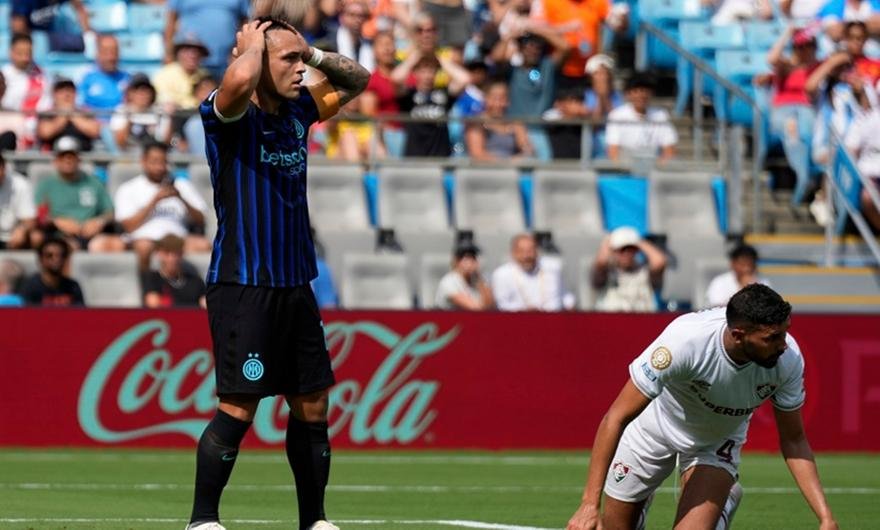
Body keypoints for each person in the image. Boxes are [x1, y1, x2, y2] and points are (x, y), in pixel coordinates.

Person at [186, 16, 369, 530]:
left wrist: (309, 53)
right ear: (256, 61)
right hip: (244, 284)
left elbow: (358, 79)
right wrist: (249, 49)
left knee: (313, 404)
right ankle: (202, 521)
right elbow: (239, 82)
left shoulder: (299, 111)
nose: (300, 69)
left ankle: (314, 521)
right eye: (288, 60)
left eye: (300, 59)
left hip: (295, 284)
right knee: (239, 406)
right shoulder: (228, 116)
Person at [566, 284, 839, 530]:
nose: (783, 346)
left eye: (785, 333)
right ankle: (641, 499)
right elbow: (615, 417)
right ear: (738, 335)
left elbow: (794, 440)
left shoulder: (788, 360)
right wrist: (589, 503)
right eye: (772, 338)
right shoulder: (684, 342)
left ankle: (724, 502)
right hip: (654, 429)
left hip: (715, 443)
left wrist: (825, 517)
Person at [114, 141, 211, 271]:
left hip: (178, 239)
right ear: (143, 161)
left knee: (204, 245)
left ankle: (190, 283)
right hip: (145, 239)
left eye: (164, 162)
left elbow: (201, 220)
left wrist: (181, 198)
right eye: (155, 162)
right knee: (144, 247)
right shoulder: (129, 188)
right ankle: (148, 283)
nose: (160, 167)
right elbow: (128, 226)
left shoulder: (182, 185)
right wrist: (155, 201)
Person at [758, 26, 821, 206]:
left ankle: (807, 175)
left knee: (806, 132)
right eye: (799, 46)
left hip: (807, 109)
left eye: (808, 45)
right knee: (792, 128)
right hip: (784, 109)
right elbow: (772, 59)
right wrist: (787, 33)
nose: (803, 50)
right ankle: (803, 177)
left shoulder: (817, 67)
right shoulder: (786, 66)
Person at [33, 136, 124, 252]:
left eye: (71, 156)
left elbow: (109, 212)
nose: (67, 160)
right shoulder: (46, 185)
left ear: (78, 159)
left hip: (92, 235)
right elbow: (40, 216)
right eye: (62, 156)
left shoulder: (93, 182)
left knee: (116, 244)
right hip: (59, 236)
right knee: (59, 248)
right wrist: (57, 221)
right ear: (56, 161)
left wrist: (99, 222)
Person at [164, 0, 250, 79]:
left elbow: (245, 22)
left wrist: (238, 53)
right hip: (190, 64)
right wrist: (169, 55)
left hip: (226, 63)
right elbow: (171, 22)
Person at [592, 226, 667, 312]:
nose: (626, 253)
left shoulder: (644, 272)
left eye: (631, 249)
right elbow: (601, 261)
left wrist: (638, 241)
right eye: (622, 250)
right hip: (611, 319)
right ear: (613, 251)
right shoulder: (608, 272)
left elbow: (659, 261)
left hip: (642, 319)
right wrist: (609, 240)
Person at [605, 72, 678, 162]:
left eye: (645, 91)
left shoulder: (661, 115)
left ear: (651, 93)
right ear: (628, 94)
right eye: (636, 91)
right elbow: (613, 152)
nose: (641, 95)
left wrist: (659, 166)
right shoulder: (616, 115)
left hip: (653, 165)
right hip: (624, 165)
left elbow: (670, 150)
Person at [491, 233, 570, 311]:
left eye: (530, 251)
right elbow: (502, 304)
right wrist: (525, 310)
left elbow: (565, 296)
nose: (526, 256)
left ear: (537, 251)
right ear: (513, 253)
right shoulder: (502, 274)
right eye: (521, 251)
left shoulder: (552, 268)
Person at [464, 80, 533, 161]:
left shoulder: (515, 123)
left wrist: (524, 154)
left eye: (502, 99)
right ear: (485, 99)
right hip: (484, 167)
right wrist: (507, 162)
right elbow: (477, 154)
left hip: (511, 167)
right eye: (494, 98)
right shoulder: (476, 123)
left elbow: (526, 148)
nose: (498, 104)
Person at [110, 74, 173, 151]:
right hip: (128, 154)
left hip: (154, 153)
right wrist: (130, 118)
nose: (143, 94)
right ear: (130, 93)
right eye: (137, 89)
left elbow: (166, 142)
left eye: (146, 90)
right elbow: (120, 142)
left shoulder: (160, 111)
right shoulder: (122, 110)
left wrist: (169, 116)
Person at [36, 78, 101, 151]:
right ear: (54, 94)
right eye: (62, 91)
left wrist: (72, 114)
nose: (67, 94)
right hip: (54, 155)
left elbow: (95, 132)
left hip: (82, 154)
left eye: (70, 91)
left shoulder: (85, 112)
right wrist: (63, 115)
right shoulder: (47, 114)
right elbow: (45, 133)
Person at [143, 234, 207, 308]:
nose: (172, 258)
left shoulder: (195, 281)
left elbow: (206, 306)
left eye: (177, 253)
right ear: (159, 254)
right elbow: (153, 307)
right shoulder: (152, 279)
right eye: (167, 253)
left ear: (182, 254)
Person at [19, 235, 84, 306]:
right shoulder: (30, 286)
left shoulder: (73, 286)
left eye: (61, 255)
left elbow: (80, 311)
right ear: (40, 259)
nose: (56, 259)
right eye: (49, 255)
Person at [153, 35, 212, 111]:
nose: (192, 55)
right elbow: (164, 101)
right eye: (186, 50)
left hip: (199, 114)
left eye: (197, 51)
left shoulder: (205, 75)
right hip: (175, 115)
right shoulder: (164, 75)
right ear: (178, 53)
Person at [78, 34, 130, 115]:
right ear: (97, 53)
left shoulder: (128, 79)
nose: (110, 57)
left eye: (114, 52)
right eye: (106, 52)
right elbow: (78, 107)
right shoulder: (85, 79)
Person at [706, 244, 771, 308]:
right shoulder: (719, 282)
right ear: (733, 264)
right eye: (743, 264)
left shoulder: (763, 282)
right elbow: (716, 307)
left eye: (750, 264)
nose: (747, 269)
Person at [1, 33, 51, 114]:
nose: (25, 58)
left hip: (41, 118)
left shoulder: (41, 73)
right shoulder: (3, 75)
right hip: (11, 117)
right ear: (11, 52)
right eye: (20, 53)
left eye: (28, 53)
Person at [435, 243, 494, 310]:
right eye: (467, 258)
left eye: (473, 257)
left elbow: (489, 305)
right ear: (457, 261)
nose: (471, 262)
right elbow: (475, 308)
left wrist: (478, 277)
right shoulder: (449, 281)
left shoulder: (476, 281)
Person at [0, 152, 36, 249]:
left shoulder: (21, 184)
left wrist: (22, 229)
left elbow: (29, 219)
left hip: (13, 236)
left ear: (4, 168)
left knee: (36, 237)